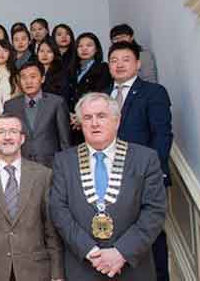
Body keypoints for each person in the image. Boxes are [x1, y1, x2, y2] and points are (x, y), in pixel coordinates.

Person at [49, 92, 166, 281]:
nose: (94, 123)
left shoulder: (145, 159)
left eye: (101, 116)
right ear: (81, 124)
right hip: (83, 267)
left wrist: (121, 252)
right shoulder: (64, 161)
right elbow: (58, 210)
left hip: (132, 268)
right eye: (87, 117)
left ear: (117, 121)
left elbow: (155, 211)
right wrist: (91, 251)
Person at [0, 114, 64, 281]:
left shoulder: (43, 175)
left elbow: (51, 230)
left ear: (22, 138)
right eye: (1, 132)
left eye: (13, 131)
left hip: (35, 271)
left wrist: (57, 273)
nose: (7, 137)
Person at [106, 41, 173, 281]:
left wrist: (151, 172)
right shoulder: (103, 96)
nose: (119, 64)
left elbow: (162, 135)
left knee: (149, 235)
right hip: (109, 178)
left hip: (144, 177)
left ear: (138, 64)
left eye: (125, 59)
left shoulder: (153, 92)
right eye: (114, 60)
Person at [0, 61, 70, 169]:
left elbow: (65, 141)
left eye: (33, 77)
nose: (28, 81)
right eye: (24, 78)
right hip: (21, 166)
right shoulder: (11, 105)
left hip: (50, 166)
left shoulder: (56, 103)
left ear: (42, 78)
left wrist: (67, 169)